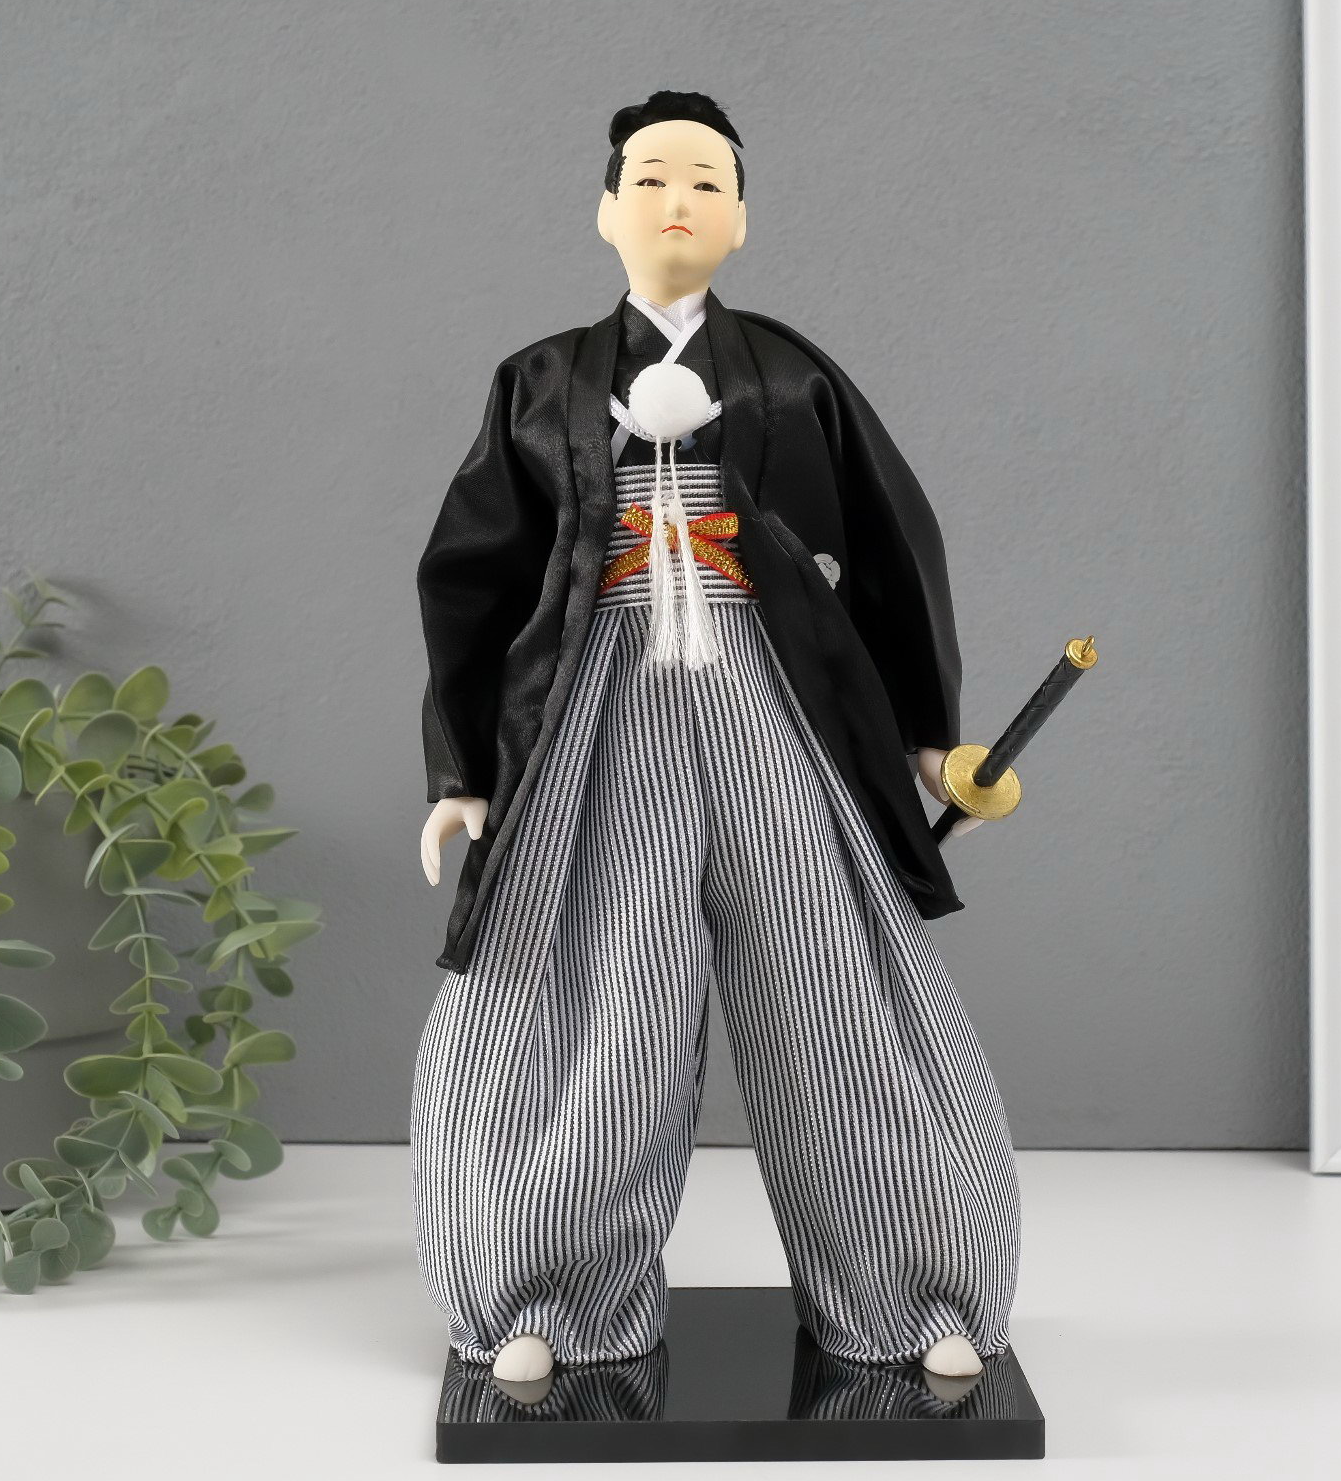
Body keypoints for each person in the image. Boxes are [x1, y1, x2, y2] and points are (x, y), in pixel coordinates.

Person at [410, 89, 1020, 1388]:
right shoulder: (541, 382)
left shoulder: (792, 376)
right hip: (601, 696)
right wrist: (462, 769)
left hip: (769, 688)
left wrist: (929, 736)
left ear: (741, 220)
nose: (676, 201)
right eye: (649, 179)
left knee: (835, 980)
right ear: (603, 212)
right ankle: (545, 1292)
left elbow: (895, 541)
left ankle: (916, 1289)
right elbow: (474, 575)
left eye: (705, 182)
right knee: (591, 989)